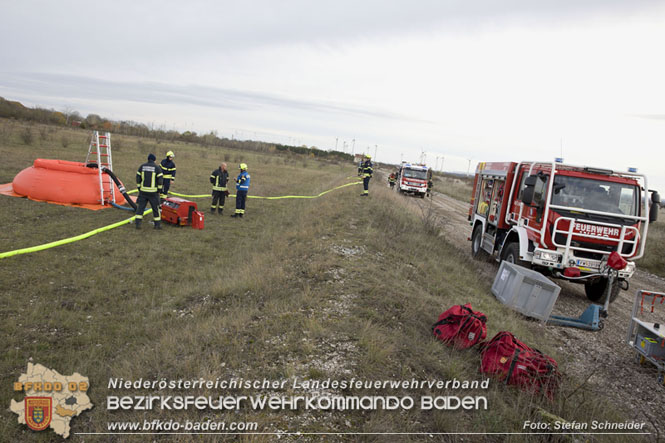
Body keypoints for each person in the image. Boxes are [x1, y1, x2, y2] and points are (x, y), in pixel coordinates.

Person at [135, 153, 163, 229]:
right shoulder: (157, 168)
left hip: (143, 191)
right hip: (153, 193)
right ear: (154, 160)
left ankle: (138, 224)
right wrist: (159, 190)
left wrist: (139, 188)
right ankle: (157, 225)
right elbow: (160, 181)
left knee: (140, 208)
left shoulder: (142, 166)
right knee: (155, 208)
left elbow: (138, 178)